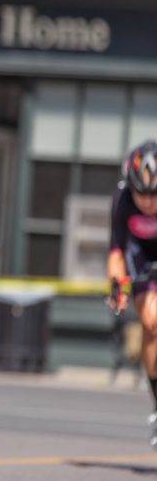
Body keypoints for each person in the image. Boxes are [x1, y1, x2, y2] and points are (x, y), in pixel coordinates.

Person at [107, 140, 157, 447]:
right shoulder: (122, 200)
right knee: (151, 322)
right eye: (142, 193)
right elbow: (116, 252)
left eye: (154, 195)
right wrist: (117, 285)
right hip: (140, 263)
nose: (148, 202)